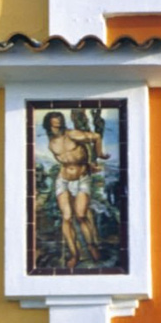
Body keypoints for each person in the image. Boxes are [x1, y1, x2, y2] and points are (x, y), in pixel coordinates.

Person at [42, 111, 109, 270]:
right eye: (53, 124)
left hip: (81, 178)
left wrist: (98, 155)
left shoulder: (72, 134)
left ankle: (92, 246)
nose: (57, 127)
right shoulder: (51, 142)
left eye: (59, 123)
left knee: (80, 215)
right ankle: (75, 254)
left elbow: (96, 137)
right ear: (49, 126)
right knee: (66, 217)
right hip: (63, 179)